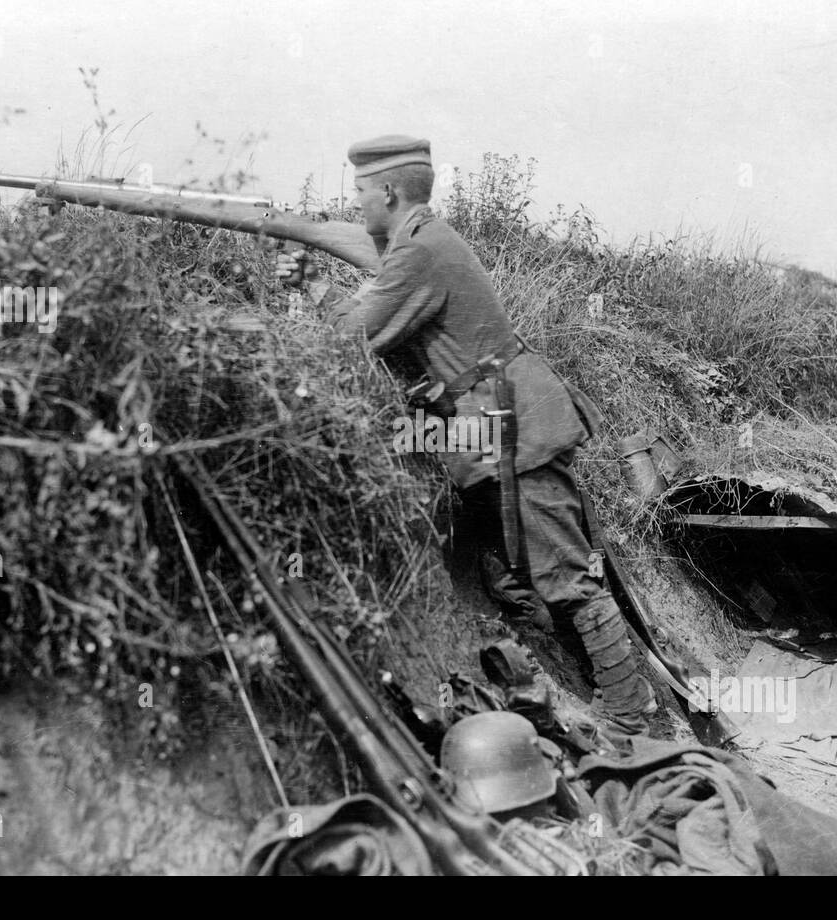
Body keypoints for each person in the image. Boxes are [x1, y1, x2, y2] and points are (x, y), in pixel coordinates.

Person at [276, 135, 657, 736]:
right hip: (482, 427)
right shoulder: (422, 241)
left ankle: (632, 713)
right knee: (509, 574)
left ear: (389, 192)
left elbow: (355, 332)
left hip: (512, 428)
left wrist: (313, 289)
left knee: (564, 572)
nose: (354, 205)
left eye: (359, 192)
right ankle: (555, 672)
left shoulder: (421, 252)